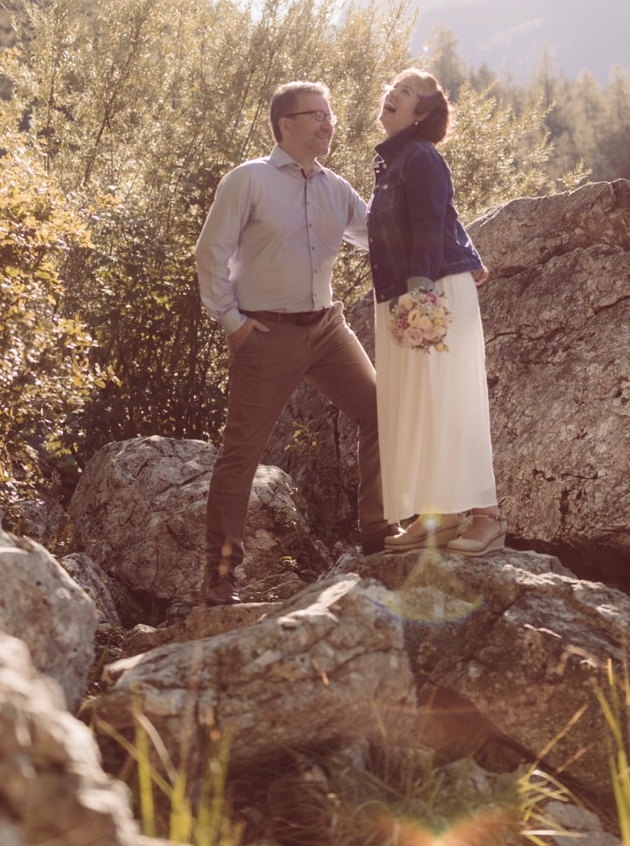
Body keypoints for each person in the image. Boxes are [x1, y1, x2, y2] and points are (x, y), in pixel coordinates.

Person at [195, 80, 392, 604]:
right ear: (286, 125)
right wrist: (230, 320)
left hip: (328, 330)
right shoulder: (248, 180)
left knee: (380, 413)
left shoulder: (335, 188)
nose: (329, 123)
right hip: (265, 334)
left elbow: (381, 237)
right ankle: (219, 577)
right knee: (241, 453)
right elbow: (209, 253)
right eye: (317, 115)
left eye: (329, 114)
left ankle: (377, 531)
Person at [367, 68, 506, 555]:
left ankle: (487, 517)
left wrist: (421, 295)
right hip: (407, 293)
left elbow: (429, 223)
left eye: (403, 93)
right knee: (423, 404)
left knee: (450, 401)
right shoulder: (398, 160)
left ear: (420, 113)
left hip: (429, 290)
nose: (392, 95)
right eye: (392, 88)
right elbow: (441, 216)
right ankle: (442, 516)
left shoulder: (421, 156)